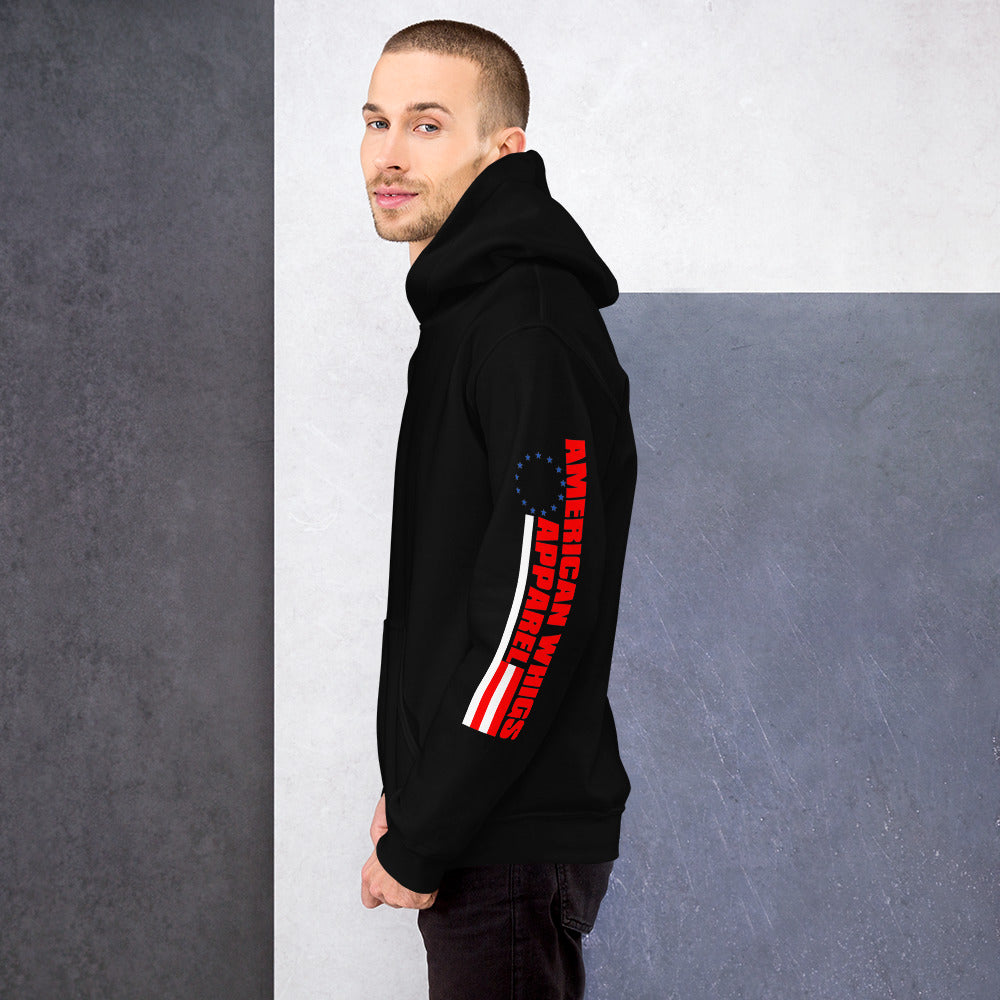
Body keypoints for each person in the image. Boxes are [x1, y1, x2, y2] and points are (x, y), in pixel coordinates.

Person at [358, 20, 637, 999]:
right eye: (377, 121)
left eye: (428, 124)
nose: (389, 154)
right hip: (480, 817)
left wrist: (432, 822)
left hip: (506, 833)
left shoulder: (525, 328)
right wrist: (417, 790)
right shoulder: (468, 317)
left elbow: (538, 598)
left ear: (503, 148)